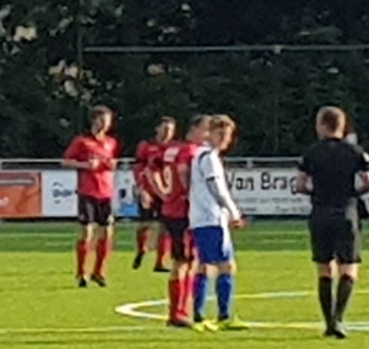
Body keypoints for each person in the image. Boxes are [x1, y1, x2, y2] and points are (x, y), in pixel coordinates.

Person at [299, 105, 369, 340]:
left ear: (322, 125)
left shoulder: (311, 153)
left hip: (320, 213)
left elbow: (300, 185)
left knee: (324, 268)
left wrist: (318, 192)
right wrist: (351, 193)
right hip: (346, 213)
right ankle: (339, 318)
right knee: (349, 267)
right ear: (341, 126)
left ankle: (328, 322)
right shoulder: (354, 151)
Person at [182, 114, 246, 329]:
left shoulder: (202, 155)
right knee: (224, 265)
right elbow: (217, 189)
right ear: (213, 133)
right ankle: (222, 316)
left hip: (204, 218)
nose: (227, 139)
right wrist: (234, 213)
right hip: (210, 218)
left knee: (205, 265)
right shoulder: (209, 157)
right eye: (224, 134)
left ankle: (201, 315)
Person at [63, 106, 118, 287]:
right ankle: (81, 273)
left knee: (107, 232)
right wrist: (86, 165)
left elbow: (110, 162)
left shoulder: (111, 142)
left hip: (106, 192)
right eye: (103, 120)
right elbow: (65, 161)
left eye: (108, 121)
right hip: (87, 192)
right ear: (95, 120)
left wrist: (111, 165)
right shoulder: (82, 141)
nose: (106, 124)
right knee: (87, 232)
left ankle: (99, 272)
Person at [128, 117, 181, 271]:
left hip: (167, 193)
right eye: (164, 129)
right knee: (145, 224)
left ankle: (160, 262)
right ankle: (141, 249)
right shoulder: (146, 146)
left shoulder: (175, 149)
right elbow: (139, 167)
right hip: (149, 191)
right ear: (157, 129)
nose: (167, 133)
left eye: (170, 130)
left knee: (165, 226)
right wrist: (141, 188)